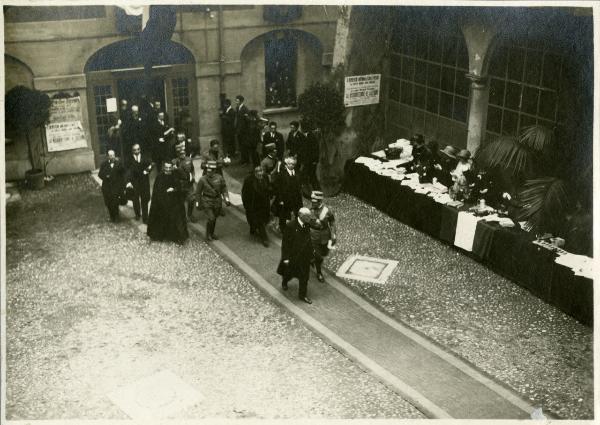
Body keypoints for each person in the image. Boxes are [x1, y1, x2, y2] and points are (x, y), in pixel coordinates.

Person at [277, 207, 315, 304]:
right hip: (293, 256)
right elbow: (285, 243)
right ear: (300, 216)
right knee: (289, 272)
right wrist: (285, 257)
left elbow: (308, 240)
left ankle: (302, 295)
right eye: (307, 216)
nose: (309, 218)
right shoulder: (290, 226)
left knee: (304, 277)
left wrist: (311, 255)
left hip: (304, 257)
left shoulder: (307, 225)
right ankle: (285, 281)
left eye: (309, 216)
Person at [147, 162, 189, 244]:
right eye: (167, 168)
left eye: (170, 168)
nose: (168, 170)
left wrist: (173, 189)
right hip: (162, 200)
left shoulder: (175, 175)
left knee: (177, 216)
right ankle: (160, 234)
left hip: (174, 200)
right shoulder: (159, 177)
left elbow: (181, 185)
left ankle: (177, 236)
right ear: (164, 168)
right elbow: (157, 191)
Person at [195, 160, 231, 241]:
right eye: (207, 170)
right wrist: (198, 203)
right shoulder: (202, 180)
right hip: (207, 201)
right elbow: (198, 192)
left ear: (214, 170)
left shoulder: (219, 178)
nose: (208, 172)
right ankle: (208, 235)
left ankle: (212, 233)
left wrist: (226, 199)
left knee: (214, 218)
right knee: (211, 218)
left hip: (217, 201)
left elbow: (224, 189)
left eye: (210, 171)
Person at [309, 190, 337, 282]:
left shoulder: (327, 211)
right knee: (319, 257)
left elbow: (332, 222)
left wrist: (333, 234)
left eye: (314, 202)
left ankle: (312, 258)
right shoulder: (309, 211)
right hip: (314, 236)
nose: (312, 203)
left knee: (324, 253)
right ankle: (319, 272)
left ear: (320, 202)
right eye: (312, 201)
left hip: (325, 235)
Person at [242, 166, 272, 247]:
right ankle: (264, 238)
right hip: (253, 204)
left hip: (264, 204)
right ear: (255, 174)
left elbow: (269, 187)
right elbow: (245, 194)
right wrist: (246, 205)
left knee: (263, 220)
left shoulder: (265, 177)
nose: (260, 176)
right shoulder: (249, 180)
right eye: (258, 174)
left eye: (261, 173)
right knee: (258, 221)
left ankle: (254, 228)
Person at [273, 156, 303, 233]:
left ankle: (297, 228)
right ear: (286, 164)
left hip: (296, 198)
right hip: (285, 198)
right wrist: (280, 199)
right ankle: (282, 228)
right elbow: (277, 188)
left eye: (293, 164)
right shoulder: (282, 174)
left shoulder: (297, 173)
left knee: (297, 213)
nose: (291, 165)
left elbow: (299, 185)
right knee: (283, 214)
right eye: (289, 164)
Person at [125, 144, 152, 223]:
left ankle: (145, 217)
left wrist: (147, 171)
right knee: (135, 199)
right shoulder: (129, 159)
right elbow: (126, 171)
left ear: (140, 150)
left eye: (138, 149)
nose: (136, 151)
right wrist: (128, 182)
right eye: (135, 150)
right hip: (134, 182)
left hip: (144, 182)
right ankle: (137, 214)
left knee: (144, 199)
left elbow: (151, 165)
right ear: (132, 151)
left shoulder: (145, 157)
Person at [98, 150, 125, 222]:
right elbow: (100, 174)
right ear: (107, 157)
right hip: (107, 187)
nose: (112, 157)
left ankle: (117, 216)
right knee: (109, 203)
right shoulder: (104, 164)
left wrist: (122, 185)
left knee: (115, 202)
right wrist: (105, 176)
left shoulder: (118, 163)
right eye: (110, 155)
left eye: (113, 155)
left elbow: (122, 173)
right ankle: (112, 216)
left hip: (116, 186)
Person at [172, 149, 196, 221]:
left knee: (192, 199)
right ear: (177, 154)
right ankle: (182, 217)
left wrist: (193, 176)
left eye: (184, 153)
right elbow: (174, 173)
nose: (183, 155)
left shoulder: (189, 159)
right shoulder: (174, 161)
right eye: (180, 153)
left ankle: (190, 215)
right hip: (180, 184)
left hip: (189, 183)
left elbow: (192, 169)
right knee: (180, 201)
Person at [298, 123, 321, 191]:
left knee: (312, 176)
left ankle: (317, 190)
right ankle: (306, 190)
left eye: (302, 128)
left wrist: (315, 161)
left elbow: (316, 150)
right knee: (306, 175)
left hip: (312, 161)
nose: (301, 129)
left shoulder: (312, 137)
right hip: (306, 160)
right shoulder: (303, 136)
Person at [235, 95, 249, 163]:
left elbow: (247, 121)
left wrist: (245, 130)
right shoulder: (237, 108)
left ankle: (246, 160)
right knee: (240, 146)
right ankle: (243, 159)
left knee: (244, 146)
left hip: (244, 131)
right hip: (239, 130)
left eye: (237, 101)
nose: (236, 102)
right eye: (236, 100)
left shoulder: (245, 109)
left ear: (241, 101)